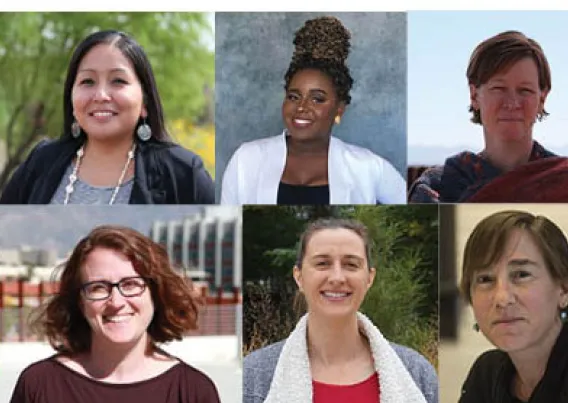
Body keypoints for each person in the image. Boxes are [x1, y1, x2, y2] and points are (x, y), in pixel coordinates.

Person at [7, 225, 224, 403]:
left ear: (156, 294)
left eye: (131, 284)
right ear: (80, 302)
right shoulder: (38, 385)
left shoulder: (194, 393)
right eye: (98, 287)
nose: (116, 301)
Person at [243, 218, 438, 403]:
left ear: (369, 278)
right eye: (322, 263)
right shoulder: (254, 377)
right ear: (299, 277)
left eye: (351, 265)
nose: (337, 277)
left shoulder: (417, 374)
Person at [0, 30, 215, 204]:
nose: (101, 95)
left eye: (118, 81)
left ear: (145, 103)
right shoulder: (41, 160)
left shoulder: (184, 174)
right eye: (88, 82)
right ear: (71, 99)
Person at [220, 16, 406, 205]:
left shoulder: (368, 167)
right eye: (294, 96)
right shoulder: (246, 160)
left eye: (317, 99)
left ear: (339, 110)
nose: (301, 107)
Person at [409, 31, 560, 203]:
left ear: (542, 99)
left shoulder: (561, 180)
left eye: (525, 90)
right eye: (499, 88)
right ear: (474, 96)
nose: (512, 103)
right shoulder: (438, 187)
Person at [458, 210, 568, 403]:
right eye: (485, 279)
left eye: (521, 275)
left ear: (563, 290)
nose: (502, 298)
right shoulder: (485, 376)